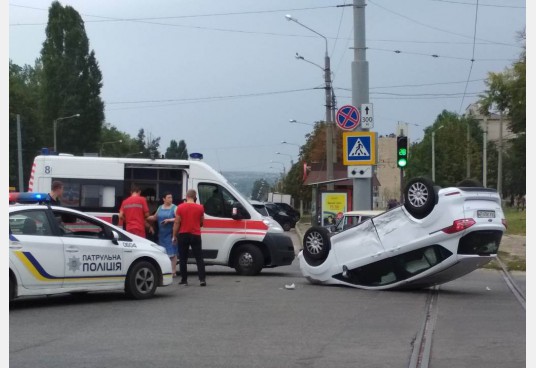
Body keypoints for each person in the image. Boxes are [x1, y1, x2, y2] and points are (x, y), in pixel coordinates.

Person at [172, 189, 206, 286]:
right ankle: (202, 279)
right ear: (195, 197)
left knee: (183, 259)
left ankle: (184, 280)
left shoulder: (180, 207)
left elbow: (177, 222)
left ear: (186, 197)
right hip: (195, 234)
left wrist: (174, 235)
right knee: (199, 258)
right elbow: (201, 222)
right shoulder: (200, 208)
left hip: (183, 234)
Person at [147, 192, 178, 276]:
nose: (170, 199)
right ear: (164, 199)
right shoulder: (160, 207)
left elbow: (178, 218)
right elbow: (154, 217)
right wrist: (144, 216)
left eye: (171, 197)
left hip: (171, 233)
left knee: (172, 253)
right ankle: (165, 270)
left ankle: (173, 271)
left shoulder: (175, 208)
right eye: (168, 197)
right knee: (163, 253)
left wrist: (169, 220)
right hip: (161, 234)